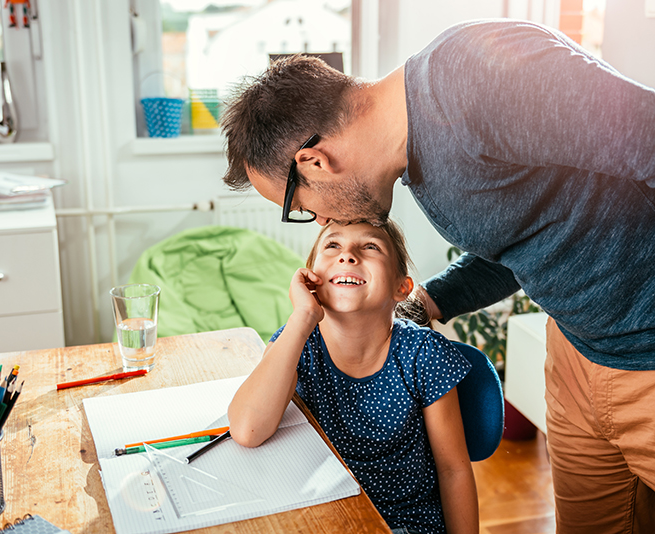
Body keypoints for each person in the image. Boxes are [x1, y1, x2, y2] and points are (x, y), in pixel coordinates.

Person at [220, 18, 655, 533]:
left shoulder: (473, 75)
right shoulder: (417, 164)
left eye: (298, 205)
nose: (319, 222)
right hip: (576, 355)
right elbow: (524, 242)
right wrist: (423, 304)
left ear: (312, 161)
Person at [228, 219, 478, 534]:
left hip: (406, 525)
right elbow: (247, 430)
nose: (347, 255)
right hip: (320, 521)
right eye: (332, 245)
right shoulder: (297, 342)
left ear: (401, 287)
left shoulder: (423, 354)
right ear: (311, 280)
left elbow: (453, 470)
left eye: (370, 246)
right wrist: (303, 316)